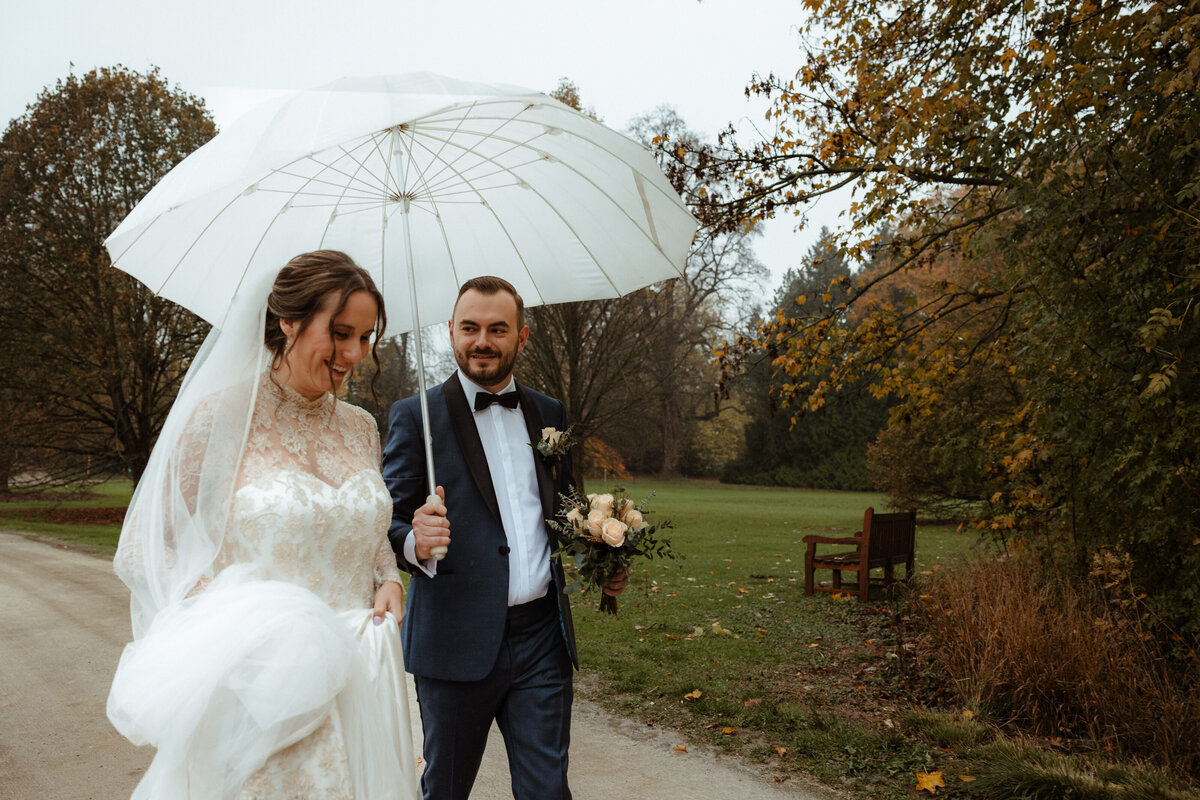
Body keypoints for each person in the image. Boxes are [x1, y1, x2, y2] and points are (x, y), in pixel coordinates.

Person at [107, 251, 420, 800]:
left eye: (367, 337)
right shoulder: (218, 420)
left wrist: (388, 576)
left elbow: (369, 537)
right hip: (261, 693)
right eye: (340, 333)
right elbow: (144, 549)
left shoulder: (362, 428)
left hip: (363, 685)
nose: (354, 354)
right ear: (288, 322)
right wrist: (245, 627)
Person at [383, 276, 621, 800]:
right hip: (453, 640)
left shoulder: (549, 414)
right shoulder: (414, 417)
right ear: (451, 332)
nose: (482, 340)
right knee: (445, 789)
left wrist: (602, 556)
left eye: (497, 329)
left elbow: (567, 513)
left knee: (547, 792)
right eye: (469, 328)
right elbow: (386, 521)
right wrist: (414, 541)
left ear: (522, 336)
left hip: (541, 640)